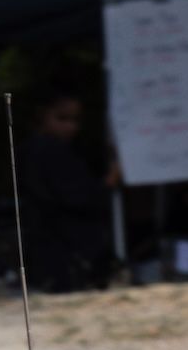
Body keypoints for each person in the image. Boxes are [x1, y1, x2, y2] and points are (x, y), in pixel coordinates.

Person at [16, 90, 114, 290]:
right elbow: (76, 196)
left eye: (75, 120)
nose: (70, 126)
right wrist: (110, 182)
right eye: (62, 118)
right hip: (62, 247)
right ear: (42, 115)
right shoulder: (48, 151)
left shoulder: (37, 148)